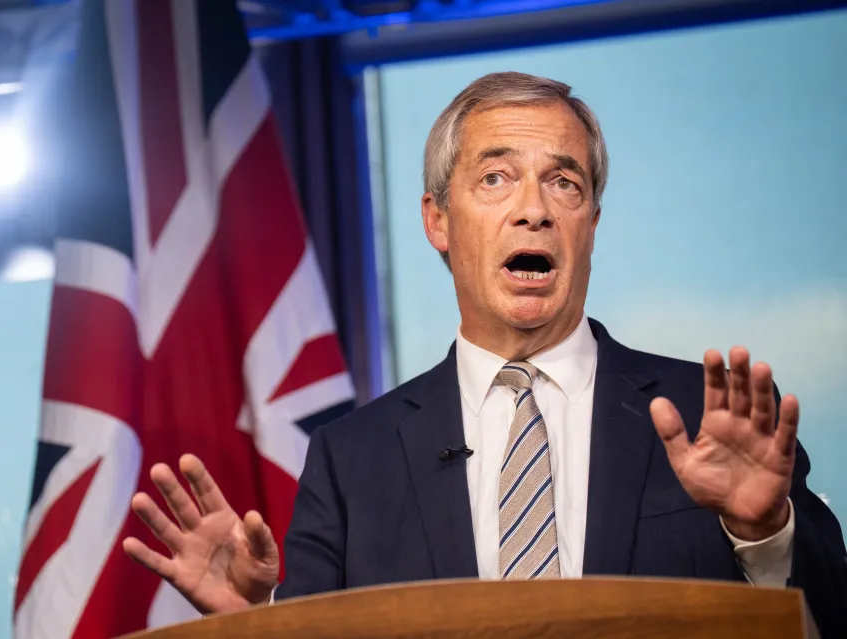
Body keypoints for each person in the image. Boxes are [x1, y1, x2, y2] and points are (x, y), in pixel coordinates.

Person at [121, 72, 847, 635]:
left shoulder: (708, 416)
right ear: (437, 220)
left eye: (565, 182)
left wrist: (762, 533)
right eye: (496, 177)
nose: (533, 207)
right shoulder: (352, 460)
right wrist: (265, 624)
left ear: (590, 221)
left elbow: (830, 615)